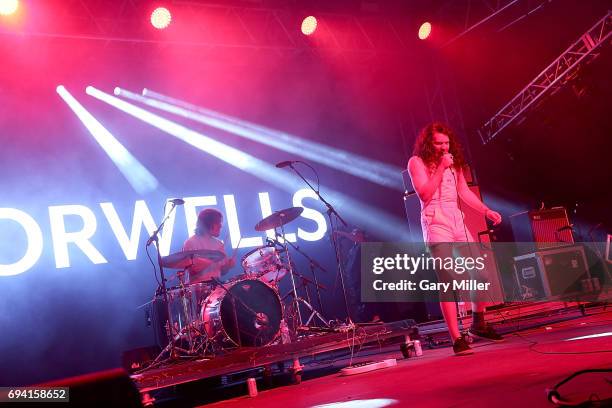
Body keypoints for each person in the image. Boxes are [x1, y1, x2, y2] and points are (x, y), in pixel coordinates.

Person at [407, 122, 503, 355]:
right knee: (448, 280)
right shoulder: (416, 162)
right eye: (438, 143)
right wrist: (440, 166)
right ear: (429, 144)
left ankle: (478, 322)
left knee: (480, 272)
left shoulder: (455, 163)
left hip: (455, 218)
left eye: (446, 143)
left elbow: (464, 191)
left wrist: (486, 211)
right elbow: (424, 194)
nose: (443, 147)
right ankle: (456, 338)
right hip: (435, 219)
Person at [183, 208, 236, 284]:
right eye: (218, 223)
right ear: (209, 224)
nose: (220, 226)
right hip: (199, 286)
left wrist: (228, 266)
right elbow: (191, 274)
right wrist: (208, 262)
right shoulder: (191, 243)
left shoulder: (218, 243)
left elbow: (221, 272)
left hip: (217, 283)